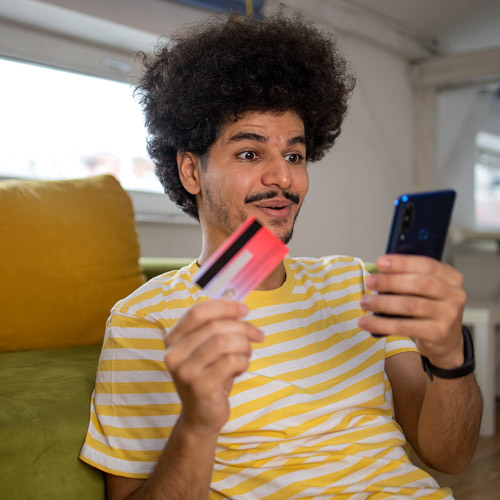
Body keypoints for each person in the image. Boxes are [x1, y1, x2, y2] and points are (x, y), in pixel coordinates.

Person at [79, 11, 482, 500]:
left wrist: (450, 360)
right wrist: (199, 425)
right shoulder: (144, 320)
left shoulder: (352, 283)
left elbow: (451, 457)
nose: (284, 179)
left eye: (294, 155)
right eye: (250, 154)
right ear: (191, 171)